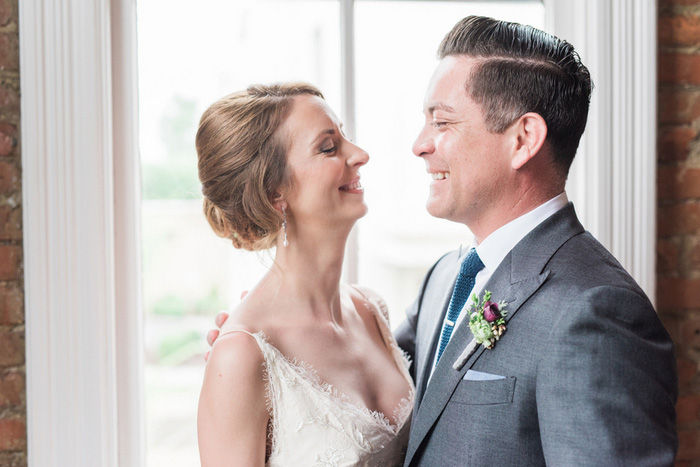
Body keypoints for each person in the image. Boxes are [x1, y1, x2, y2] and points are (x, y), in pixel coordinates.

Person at [209, 15, 678, 466]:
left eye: (443, 122)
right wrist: (256, 353)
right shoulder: (444, 279)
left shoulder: (595, 312)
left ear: (523, 140)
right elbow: (383, 407)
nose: (419, 144)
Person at [196, 82, 414, 467]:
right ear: (274, 193)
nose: (360, 154)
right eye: (328, 147)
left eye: (344, 137)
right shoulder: (241, 355)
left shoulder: (370, 309)